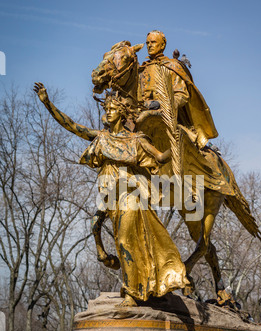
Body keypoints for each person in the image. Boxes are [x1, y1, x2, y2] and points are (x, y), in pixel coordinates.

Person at [33, 83, 191, 307]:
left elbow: (161, 157)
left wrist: (178, 142)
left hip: (130, 195)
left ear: (123, 113)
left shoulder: (136, 141)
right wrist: (47, 103)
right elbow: (72, 126)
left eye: (112, 108)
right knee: (98, 226)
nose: (107, 111)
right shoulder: (101, 138)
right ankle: (120, 267)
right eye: (105, 108)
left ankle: (132, 294)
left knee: (125, 239)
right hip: (109, 197)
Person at [138, 30, 219, 149]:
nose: (149, 45)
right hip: (143, 118)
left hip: (167, 118)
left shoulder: (172, 67)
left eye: (153, 42)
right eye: (147, 43)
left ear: (162, 45)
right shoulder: (142, 70)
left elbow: (181, 95)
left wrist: (161, 104)